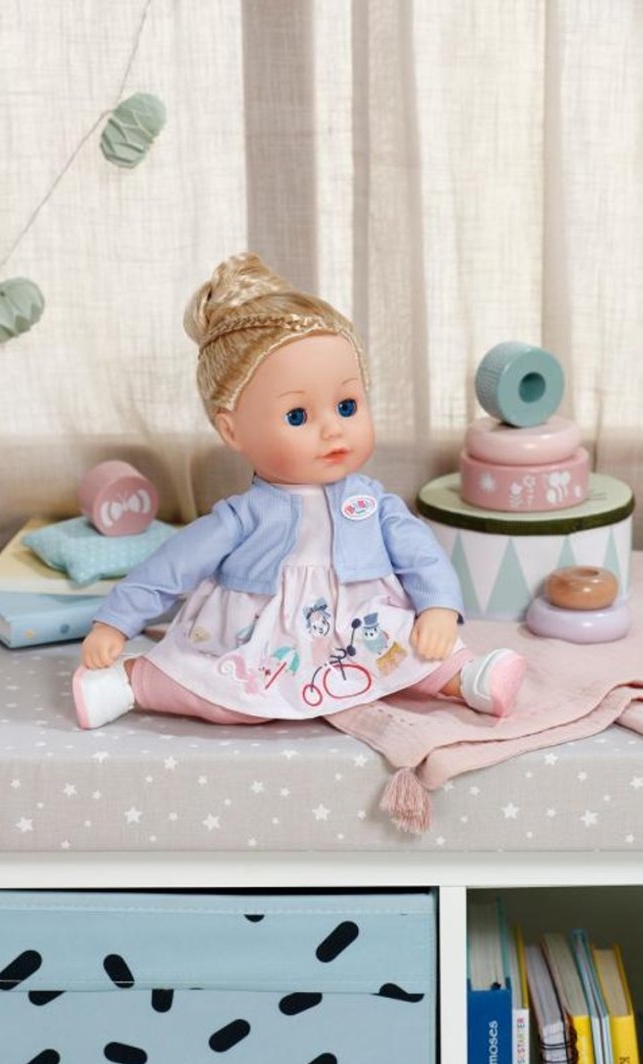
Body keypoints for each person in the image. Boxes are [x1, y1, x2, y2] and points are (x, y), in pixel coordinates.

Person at [73, 252, 525, 730]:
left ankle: (468, 677)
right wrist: (115, 622)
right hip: (266, 629)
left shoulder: (373, 503)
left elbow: (421, 557)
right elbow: (173, 566)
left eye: (347, 406)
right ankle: (130, 682)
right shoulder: (243, 516)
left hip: (362, 620)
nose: (333, 429)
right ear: (231, 431)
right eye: (298, 416)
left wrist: (438, 606)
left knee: (413, 649)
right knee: (226, 694)